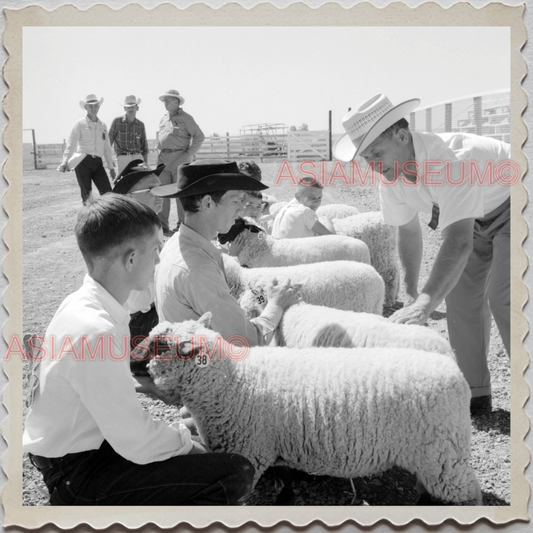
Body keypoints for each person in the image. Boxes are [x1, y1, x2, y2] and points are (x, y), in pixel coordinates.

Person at [22, 194, 255, 505]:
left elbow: (95, 387)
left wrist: (152, 392)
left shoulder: (86, 305)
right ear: (131, 259)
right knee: (233, 471)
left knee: (192, 430)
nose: (159, 260)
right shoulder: (95, 329)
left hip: (78, 448)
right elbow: (134, 441)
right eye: (156, 250)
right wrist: (193, 447)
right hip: (78, 472)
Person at [333, 93, 511, 415]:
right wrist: (412, 290)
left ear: (401, 136)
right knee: (459, 295)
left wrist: (427, 303)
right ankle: (474, 394)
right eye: (366, 159)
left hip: (516, 203)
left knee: (505, 295)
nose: (373, 165)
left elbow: (458, 242)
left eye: (376, 153)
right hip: (473, 217)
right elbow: (409, 230)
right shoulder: (390, 176)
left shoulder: (452, 159)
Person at [152, 160, 300, 347]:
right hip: (205, 370)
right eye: (236, 201)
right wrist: (276, 305)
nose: (241, 209)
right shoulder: (199, 270)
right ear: (207, 203)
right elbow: (245, 341)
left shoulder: (176, 244)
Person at [112, 159, 166, 351]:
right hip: (137, 322)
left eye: (160, 188)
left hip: (151, 310)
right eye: (151, 190)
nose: (160, 195)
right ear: (130, 197)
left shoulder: (151, 224)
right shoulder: (126, 234)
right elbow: (137, 299)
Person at [157, 89, 205, 237]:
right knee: (162, 193)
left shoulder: (186, 118)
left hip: (179, 158)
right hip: (163, 159)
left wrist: (188, 154)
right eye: (164, 100)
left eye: (168, 100)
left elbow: (199, 136)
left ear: (177, 101)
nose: (165, 103)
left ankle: (183, 226)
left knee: (181, 193)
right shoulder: (164, 118)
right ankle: (162, 226)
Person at [58, 94, 116, 203]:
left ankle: (108, 218)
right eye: (91, 106)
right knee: (87, 195)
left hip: (98, 162)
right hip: (83, 162)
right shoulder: (79, 124)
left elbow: (107, 148)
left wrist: (111, 167)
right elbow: (71, 144)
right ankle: (88, 219)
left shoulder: (102, 126)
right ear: (86, 108)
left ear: (99, 107)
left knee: (108, 193)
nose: (94, 109)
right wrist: (65, 161)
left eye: (96, 106)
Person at [271, 178, 336, 239]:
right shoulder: (304, 211)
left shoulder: (283, 210)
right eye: (312, 197)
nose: (317, 202)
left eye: (319, 198)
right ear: (298, 196)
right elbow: (333, 239)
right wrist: (327, 219)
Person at [108, 95, 150, 175]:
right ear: (124, 108)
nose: (130, 109)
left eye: (133, 106)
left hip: (138, 158)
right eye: (128, 107)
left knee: (140, 184)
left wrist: (146, 163)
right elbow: (108, 142)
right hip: (122, 158)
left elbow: (145, 147)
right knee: (123, 184)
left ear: (137, 108)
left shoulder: (141, 125)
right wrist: (110, 161)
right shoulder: (117, 122)